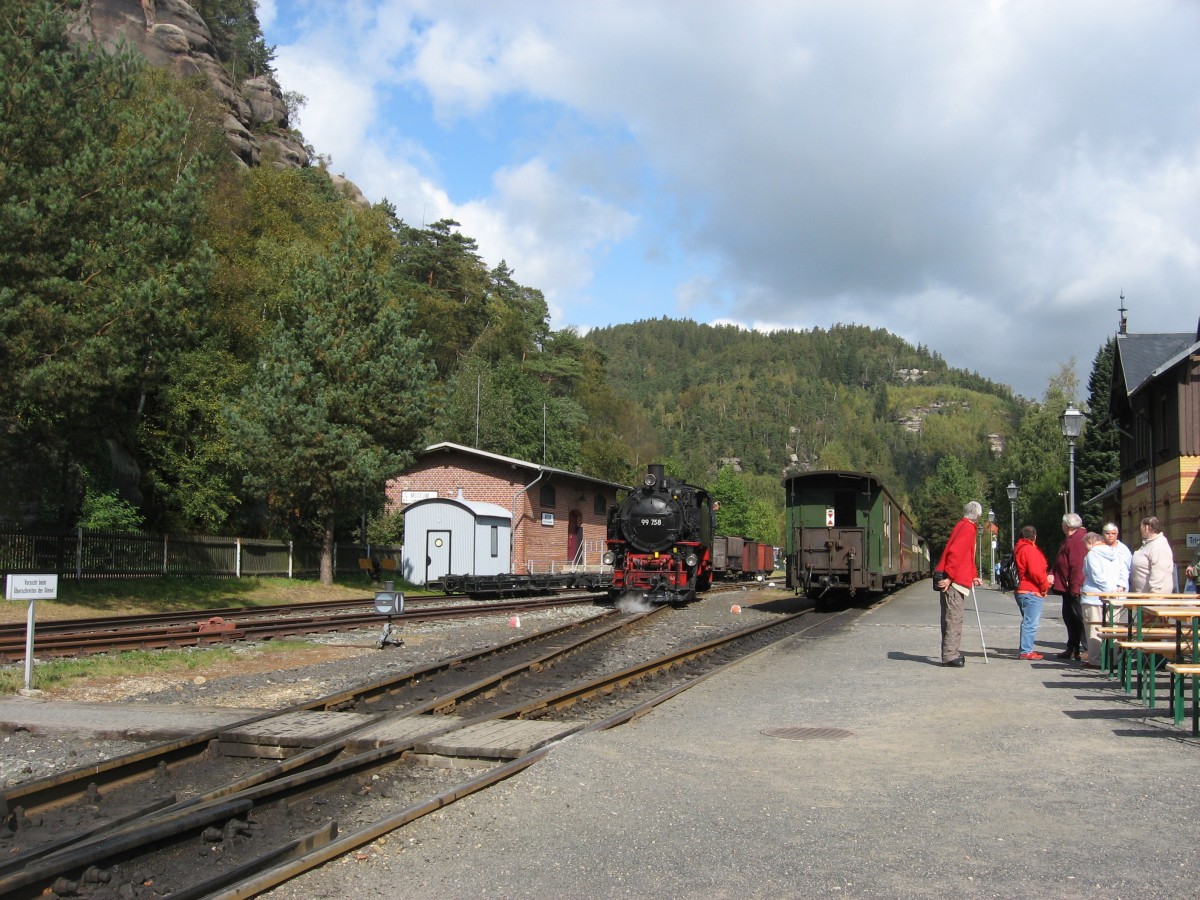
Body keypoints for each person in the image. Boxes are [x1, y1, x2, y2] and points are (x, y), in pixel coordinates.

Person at [934, 501, 984, 667]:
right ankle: (950, 655)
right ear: (977, 515)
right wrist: (950, 577)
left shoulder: (961, 526)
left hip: (956, 579)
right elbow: (957, 554)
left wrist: (973, 575)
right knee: (954, 618)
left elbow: (967, 555)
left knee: (950, 617)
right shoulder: (968, 528)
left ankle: (950, 652)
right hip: (954, 582)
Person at [1080, 531, 1123, 668]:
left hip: (1094, 597)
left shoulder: (1092, 554)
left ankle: (1096, 660)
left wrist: (1107, 589)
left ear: (1090, 542)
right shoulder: (1116, 552)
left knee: (1094, 628)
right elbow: (1123, 571)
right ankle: (1113, 659)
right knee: (1112, 628)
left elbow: (1096, 575)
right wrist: (1117, 588)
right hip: (1114, 596)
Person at [1050, 512, 1087, 661]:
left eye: (1062, 523)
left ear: (1067, 525)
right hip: (1068, 588)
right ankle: (1072, 648)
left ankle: (1086, 649)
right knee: (1069, 618)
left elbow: (1077, 566)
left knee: (1079, 619)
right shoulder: (1071, 539)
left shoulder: (1078, 540)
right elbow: (1061, 561)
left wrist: (1075, 588)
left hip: (1074, 588)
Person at [1013, 525, 1051, 661]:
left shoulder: (1019, 548)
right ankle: (1026, 650)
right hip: (1031, 590)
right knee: (1030, 622)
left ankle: (1025, 648)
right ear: (1034, 537)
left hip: (1022, 590)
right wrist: (1045, 586)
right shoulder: (1030, 550)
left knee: (1027, 621)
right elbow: (1036, 572)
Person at [1129, 516, 1175, 594]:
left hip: (1153, 599)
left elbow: (1158, 574)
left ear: (1146, 527)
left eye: (1141, 526)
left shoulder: (1159, 547)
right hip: (1142, 599)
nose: (1140, 530)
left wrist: (1154, 596)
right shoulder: (1150, 543)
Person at [1102, 523, 1132, 591]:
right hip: (1103, 587)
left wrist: (1121, 585)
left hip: (1119, 587)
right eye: (1107, 533)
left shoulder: (1123, 550)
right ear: (1103, 534)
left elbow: (1128, 570)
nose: (1110, 536)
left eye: (1113, 533)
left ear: (1117, 534)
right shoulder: (1100, 548)